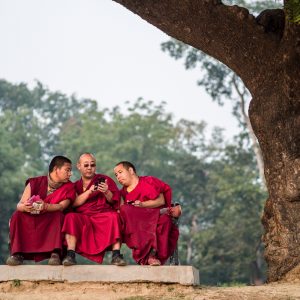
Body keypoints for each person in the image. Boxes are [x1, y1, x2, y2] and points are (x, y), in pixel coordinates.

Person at [6, 155, 76, 266]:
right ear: (56, 169)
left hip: (51, 217)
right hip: (33, 214)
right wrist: (25, 207)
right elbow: (20, 204)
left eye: (70, 171)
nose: (70, 174)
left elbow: (62, 206)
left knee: (58, 215)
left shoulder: (69, 187)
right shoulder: (35, 182)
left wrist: (45, 206)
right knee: (17, 215)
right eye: (67, 170)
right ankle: (17, 254)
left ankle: (55, 253)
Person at [61, 153, 126, 266]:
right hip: (84, 217)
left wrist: (106, 191)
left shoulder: (105, 180)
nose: (90, 168)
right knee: (70, 217)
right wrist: (90, 191)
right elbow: (74, 203)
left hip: (102, 215)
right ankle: (70, 255)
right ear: (79, 166)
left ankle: (116, 255)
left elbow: (114, 200)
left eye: (92, 165)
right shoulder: (75, 185)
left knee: (114, 216)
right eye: (86, 165)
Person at [114, 161, 179, 266]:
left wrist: (142, 205)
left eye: (120, 172)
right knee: (125, 209)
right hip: (138, 226)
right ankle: (148, 256)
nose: (118, 176)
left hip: (156, 219)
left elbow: (161, 201)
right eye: (116, 175)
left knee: (165, 220)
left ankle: (152, 255)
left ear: (130, 170)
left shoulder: (149, 181)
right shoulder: (122, 194)